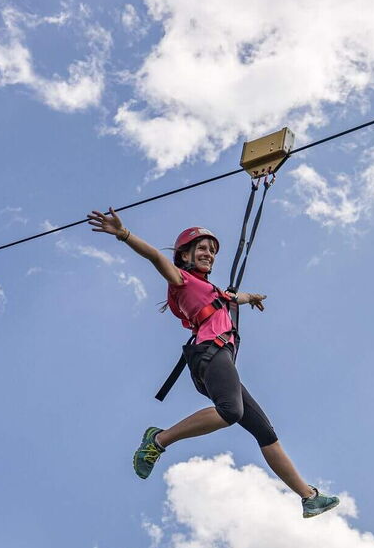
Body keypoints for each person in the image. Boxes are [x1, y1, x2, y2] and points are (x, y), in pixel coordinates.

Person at [86, 208, 340, 518]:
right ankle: (159, 439)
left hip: (220, 360)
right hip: (210, 353)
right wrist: (124, 234)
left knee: (265, 432)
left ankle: (308, 496)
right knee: (230, 412)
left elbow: (235, 297)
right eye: (203, 248)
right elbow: (155, 257)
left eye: (213, 251)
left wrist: (253, 297)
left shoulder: (215, 292)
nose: (210, 254)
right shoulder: (182, 280)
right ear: (185, 255)